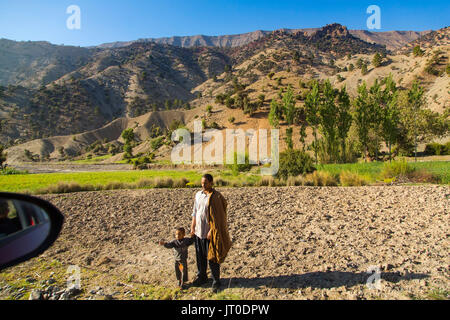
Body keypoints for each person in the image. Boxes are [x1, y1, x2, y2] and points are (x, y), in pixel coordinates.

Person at [190, 174, 232, 293]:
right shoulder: (198, 195)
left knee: (212, 258)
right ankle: (202, 277)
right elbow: (195, 212)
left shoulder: (216, 197)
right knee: (200, 256)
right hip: (198, 231)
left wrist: (212, 230)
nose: (203, 185)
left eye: (205, 183)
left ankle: (216, 281)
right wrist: (193, 226)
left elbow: (220, 216)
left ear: (211, 183)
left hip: (210, 233)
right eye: (202, 183)